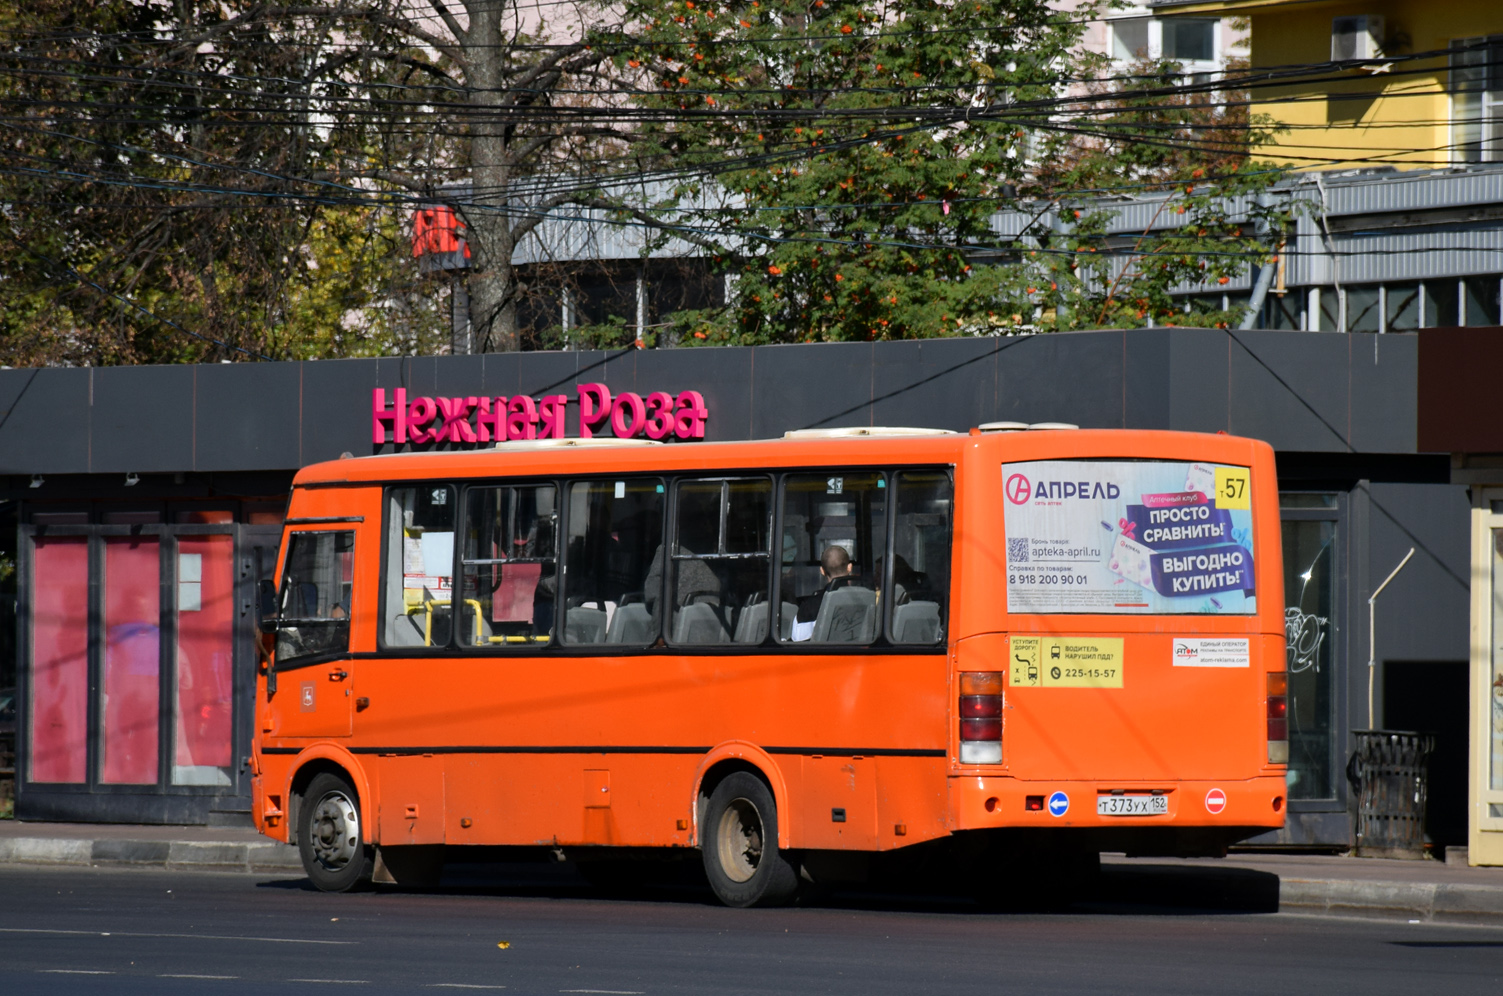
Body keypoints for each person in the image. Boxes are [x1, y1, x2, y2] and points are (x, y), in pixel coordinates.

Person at [790, 545, 862, 642]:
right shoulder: (865, 599)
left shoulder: (810, 606)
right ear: (849, 567)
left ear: (822, 571)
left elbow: (798, 640)